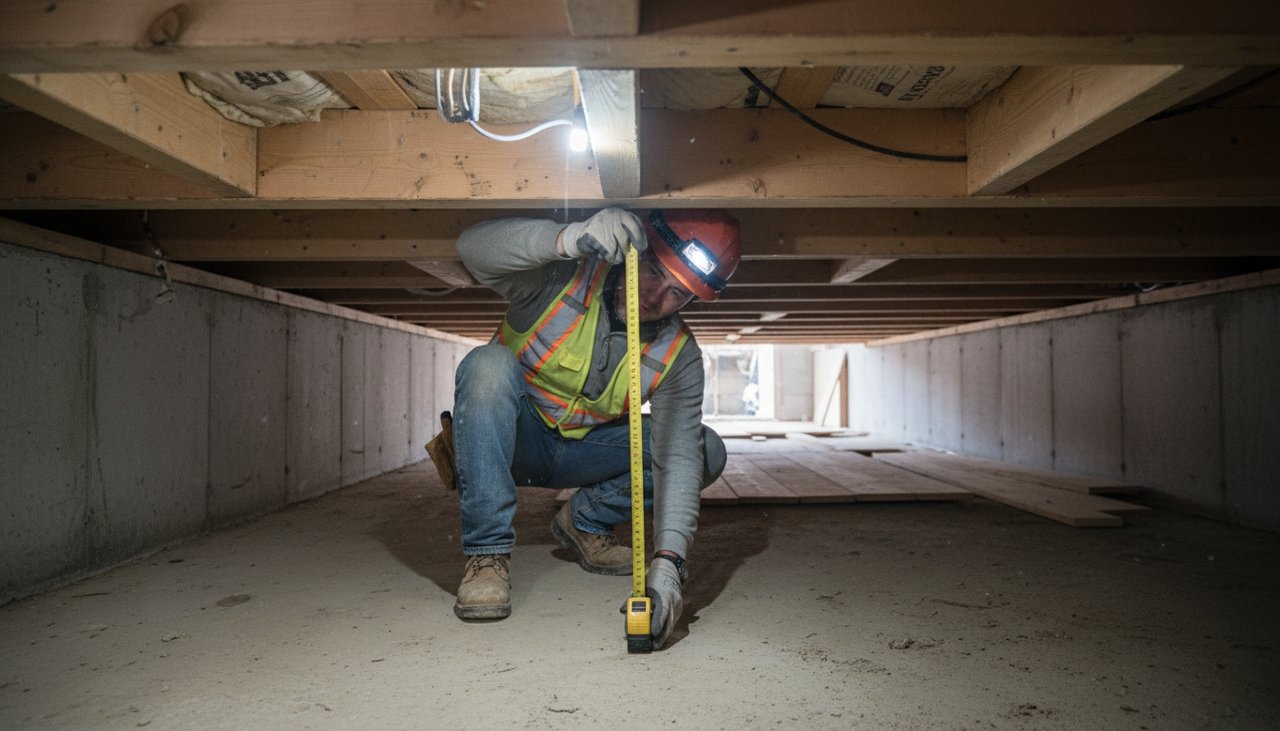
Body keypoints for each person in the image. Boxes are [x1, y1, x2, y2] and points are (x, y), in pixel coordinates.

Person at [449, 207, 742, 649]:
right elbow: (471, 248)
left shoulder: (679, 354)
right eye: (655, 271)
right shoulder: (558, 280)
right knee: (486, 365)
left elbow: (678, 459)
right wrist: (567, 238)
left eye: (678, 294)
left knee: (705, 449)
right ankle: (486, 557)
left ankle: (585, 521)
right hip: (513, 442)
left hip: (584, 453)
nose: (656, 295)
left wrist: (668, 565)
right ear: (636, 251)